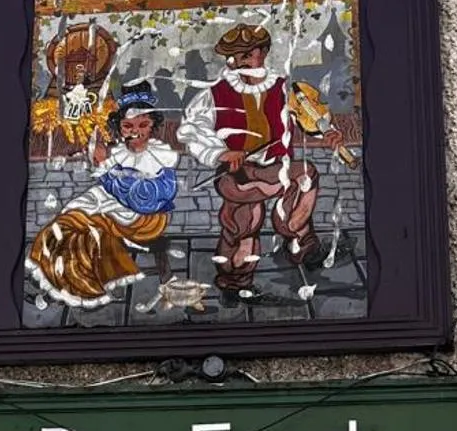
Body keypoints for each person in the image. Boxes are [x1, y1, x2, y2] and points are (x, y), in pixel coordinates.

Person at [177, 22, 347, 300]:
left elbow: (312, 116)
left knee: (305, 176)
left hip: (277, 168)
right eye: (244, 57)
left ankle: (301, 243)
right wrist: (222, 152)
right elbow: (191, 129)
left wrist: (328, 132)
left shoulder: (284, 89)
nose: (251, 62)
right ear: (232, 60)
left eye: (257, 54)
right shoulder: (216, 93)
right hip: (239, 173)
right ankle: (235, 280)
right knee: (246, 219)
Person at [25, 84, 179, 308]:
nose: (135, 131)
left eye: (143, 125)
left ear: (153, 126)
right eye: (128, 126)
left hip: (143, 219)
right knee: (63, 225)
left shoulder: (160, 157)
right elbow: (105, 188)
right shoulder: (117, 152)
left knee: (85, 235)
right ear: (120, 127)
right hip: (112, 206)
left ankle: (73, 288)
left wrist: (106, 171)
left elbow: (143, 200)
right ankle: (52, 277)